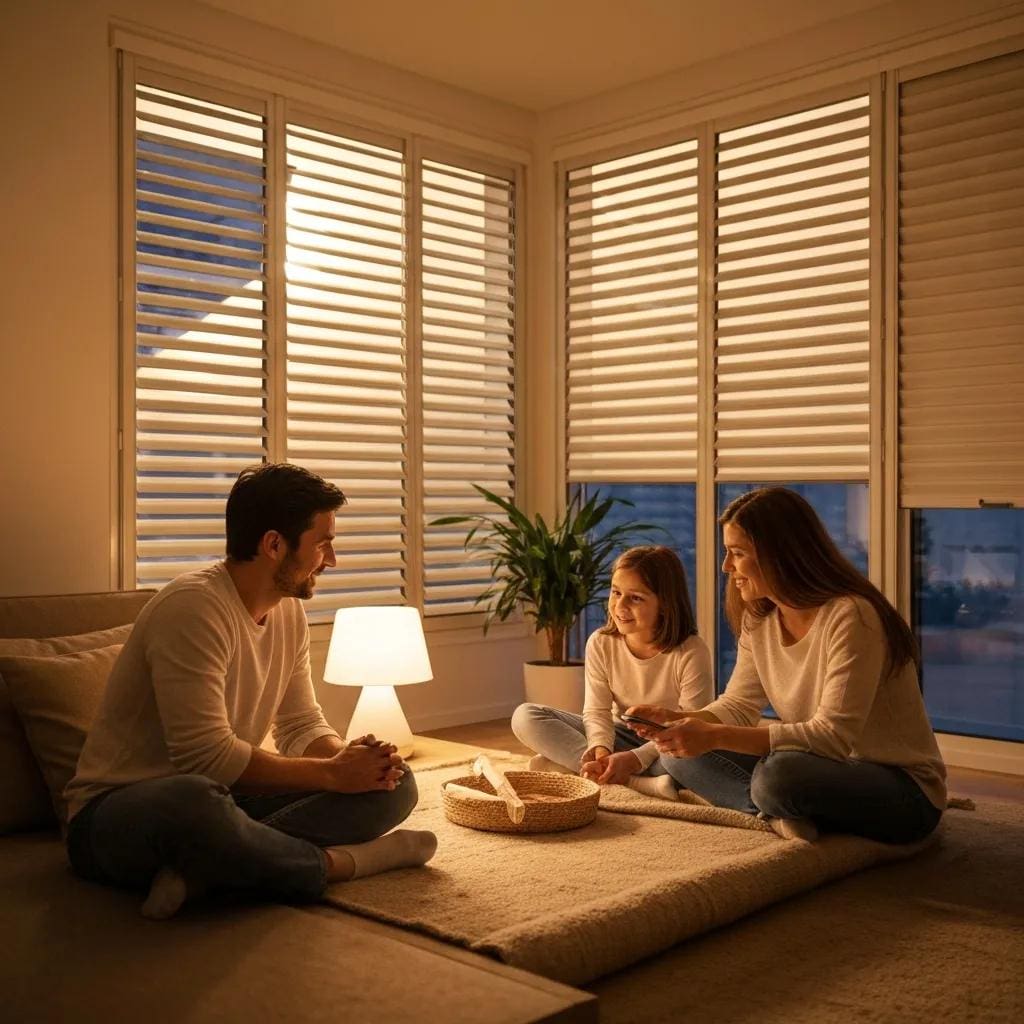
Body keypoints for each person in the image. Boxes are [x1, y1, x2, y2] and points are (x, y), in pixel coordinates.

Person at [65, 463, 436, 919]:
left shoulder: (288, 613)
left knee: (396, 782)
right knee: (195, 801)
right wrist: (331, 775)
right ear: (274, 545)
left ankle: (208, 868)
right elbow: (205, 759)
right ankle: (343, 864)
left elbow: (300, 725)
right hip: (117, 815)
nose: (332, 560)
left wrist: (352, 762)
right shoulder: (193, 609)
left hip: (226, 798)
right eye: (322, 544)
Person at [627, 487, 946, 844]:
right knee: (679, 755)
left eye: (737, 553)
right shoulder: (759, 619)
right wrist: (680, 721)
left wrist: (713, 736)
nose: (726, 566)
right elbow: (738, 706)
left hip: (904, 791)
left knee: (778, 777)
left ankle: (774, 805)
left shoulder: (851, 616)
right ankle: (779, 814)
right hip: (822, 766)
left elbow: (832, 738)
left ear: (779, 554)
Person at [512, 545, 713, 801]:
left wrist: (636, 758)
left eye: (635, 598)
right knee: (525, 717)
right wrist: (600, 749)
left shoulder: (692, 651)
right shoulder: (601, 642)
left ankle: (575, 768)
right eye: (616, 592)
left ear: (665, 603)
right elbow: (597, 711)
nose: (620, 605)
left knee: (687, 761)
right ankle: (633, 781)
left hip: (668, 746)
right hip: (620, 736)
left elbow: (691, 728)